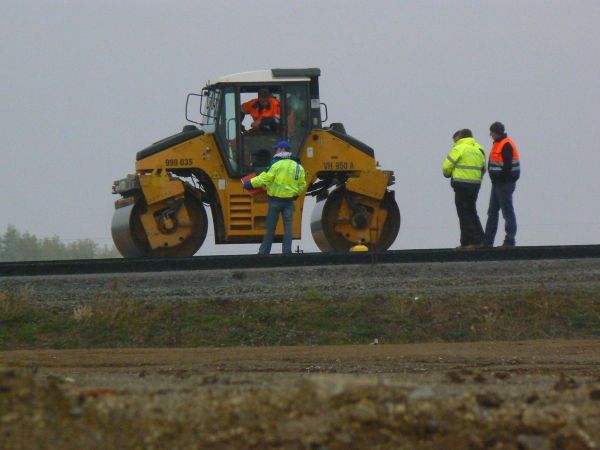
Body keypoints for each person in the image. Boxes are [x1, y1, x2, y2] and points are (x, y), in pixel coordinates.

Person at [243, 140, 306, 254]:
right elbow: (302, 184)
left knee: (270, 228)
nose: (275, 151)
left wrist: (249, 183)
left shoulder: (276, 164)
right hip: (289, 201)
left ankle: (264, 252)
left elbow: (264, 179)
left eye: (276, 149)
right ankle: (287, 252)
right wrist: (295, 194)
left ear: (282, 150)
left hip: (275, 201)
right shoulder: (298, 167)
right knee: (288, 228)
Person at [442, 128, 486, 248]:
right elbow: (483, 168)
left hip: (461, 185)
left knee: (463, 214)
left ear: (460, 138)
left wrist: (449, 174)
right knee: (472, 212)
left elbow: (446, 168)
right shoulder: (479, 149)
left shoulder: (459, 148)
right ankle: (477, 240)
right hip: (475, 186)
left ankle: (473, 241)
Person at [483, 121, 521, 247]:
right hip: (497, 183)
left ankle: (510, 240)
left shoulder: (506, 145)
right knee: (492, 211)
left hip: (504, 184)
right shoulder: (498, 144)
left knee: (507, 211)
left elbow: (508, 166)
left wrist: (500, 179)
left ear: (496, 132)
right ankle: (488, 241)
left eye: (491, 132)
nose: (490, 134)